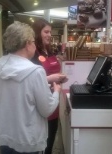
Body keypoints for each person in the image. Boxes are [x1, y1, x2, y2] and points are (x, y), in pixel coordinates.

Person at [0, 21, 61, 154]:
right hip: (27, 139)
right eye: (32, 41)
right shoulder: (35, 71)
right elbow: (47, 109)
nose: (34, 44)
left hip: (6, 135)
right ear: (27, 44)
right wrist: (56, 92)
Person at [31, 18, 68, 154]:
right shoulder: (32, 54)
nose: (49, 35)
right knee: (41, 145)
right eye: (46, 31)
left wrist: (60, 77)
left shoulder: (49, 51)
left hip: (54, 101)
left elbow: (52, 72)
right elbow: (30, 81)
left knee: (50, 142)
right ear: (37, 33)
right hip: (41, 105)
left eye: (50, 32)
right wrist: (50, 79)